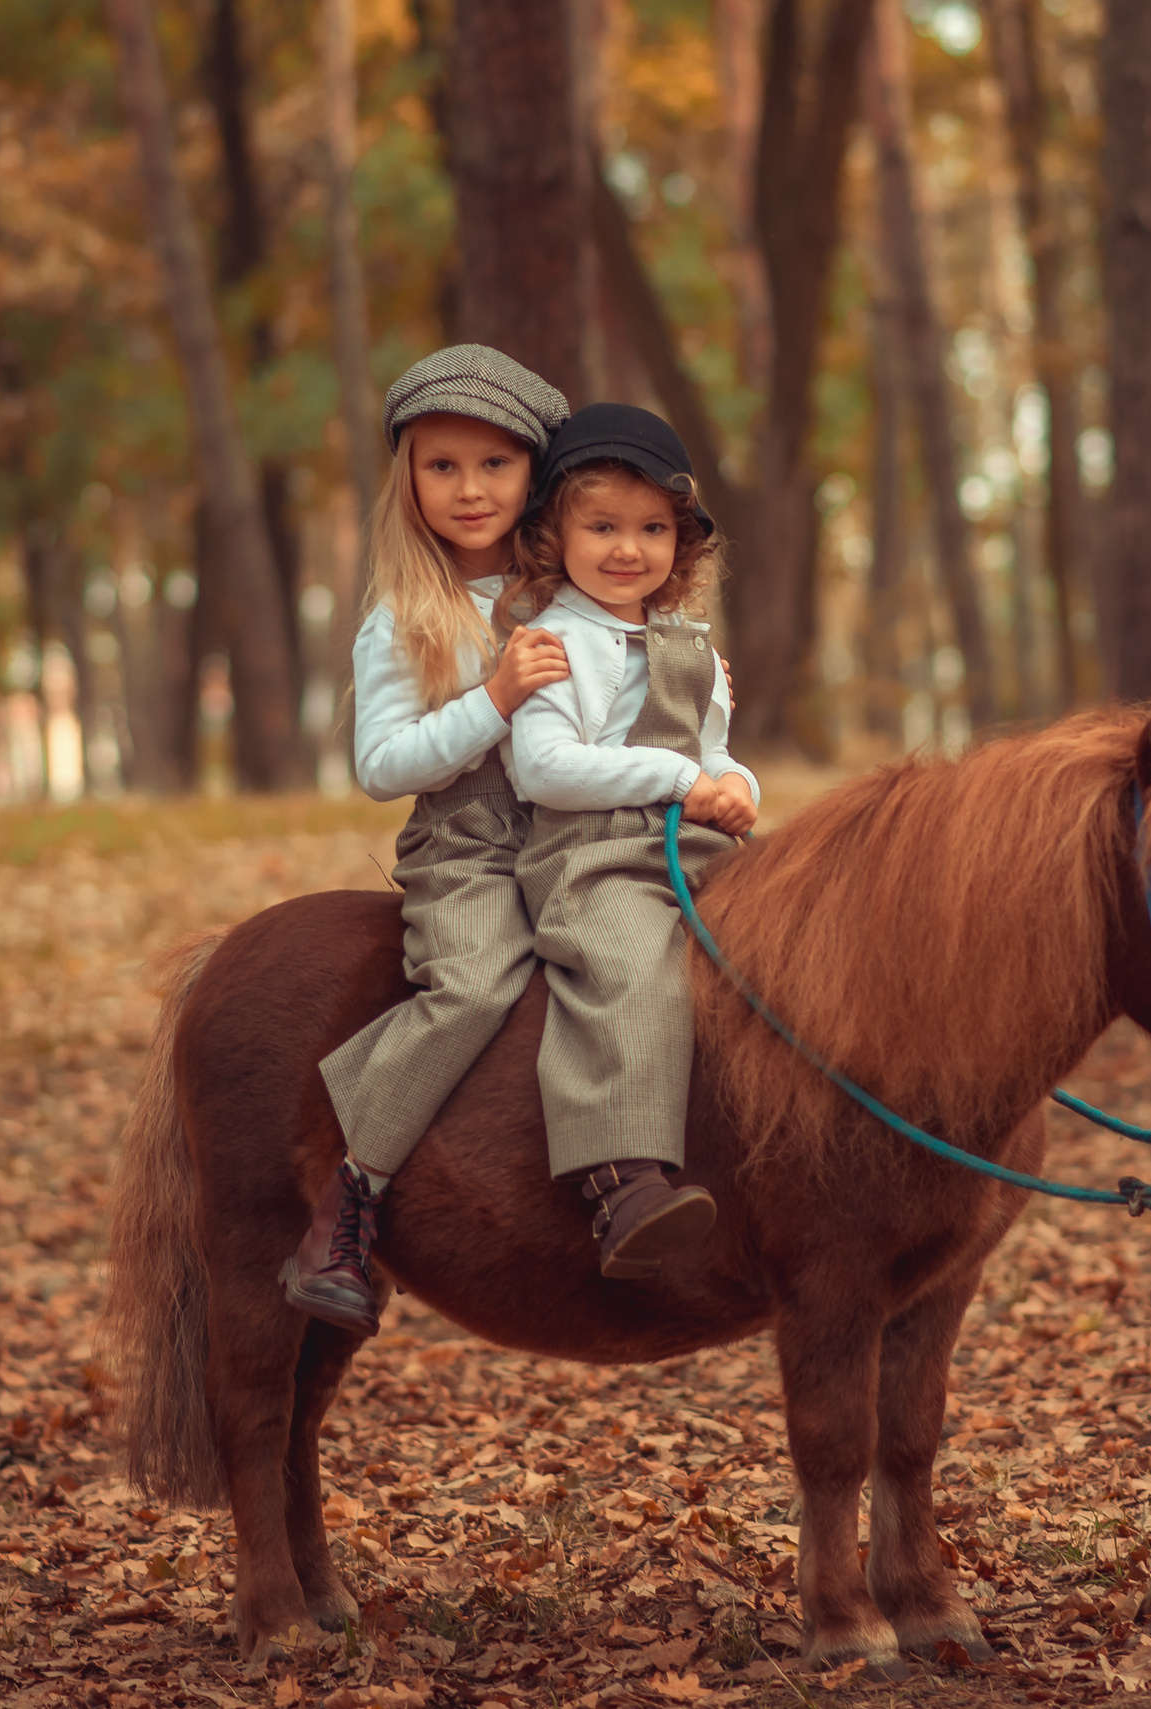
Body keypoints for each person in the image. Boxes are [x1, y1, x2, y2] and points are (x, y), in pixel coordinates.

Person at [284, 346, 573, 1336]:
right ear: (408, 477)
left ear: (534, 472)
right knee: (475, 985)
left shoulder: (574, 595)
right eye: (442, 464)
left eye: (494, 464)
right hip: (471, 843)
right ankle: (348, 1195)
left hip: (581, 829)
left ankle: (632, 1169)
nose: (469, 488)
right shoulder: (404, 616)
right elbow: (384, 765)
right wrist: (493, 697)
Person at [505, 404, 759, 1279]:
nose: (629, 549)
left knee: (790, 935)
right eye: (603, 525)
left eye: (653, 528)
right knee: (632, 961)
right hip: (590, 852)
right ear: (554, 533)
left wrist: (735, 791)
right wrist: (681, 782)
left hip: (692, 845)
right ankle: (620, 1178)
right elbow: (545, 769)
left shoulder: (690, 644)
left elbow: (713, 752)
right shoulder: (555, 641)